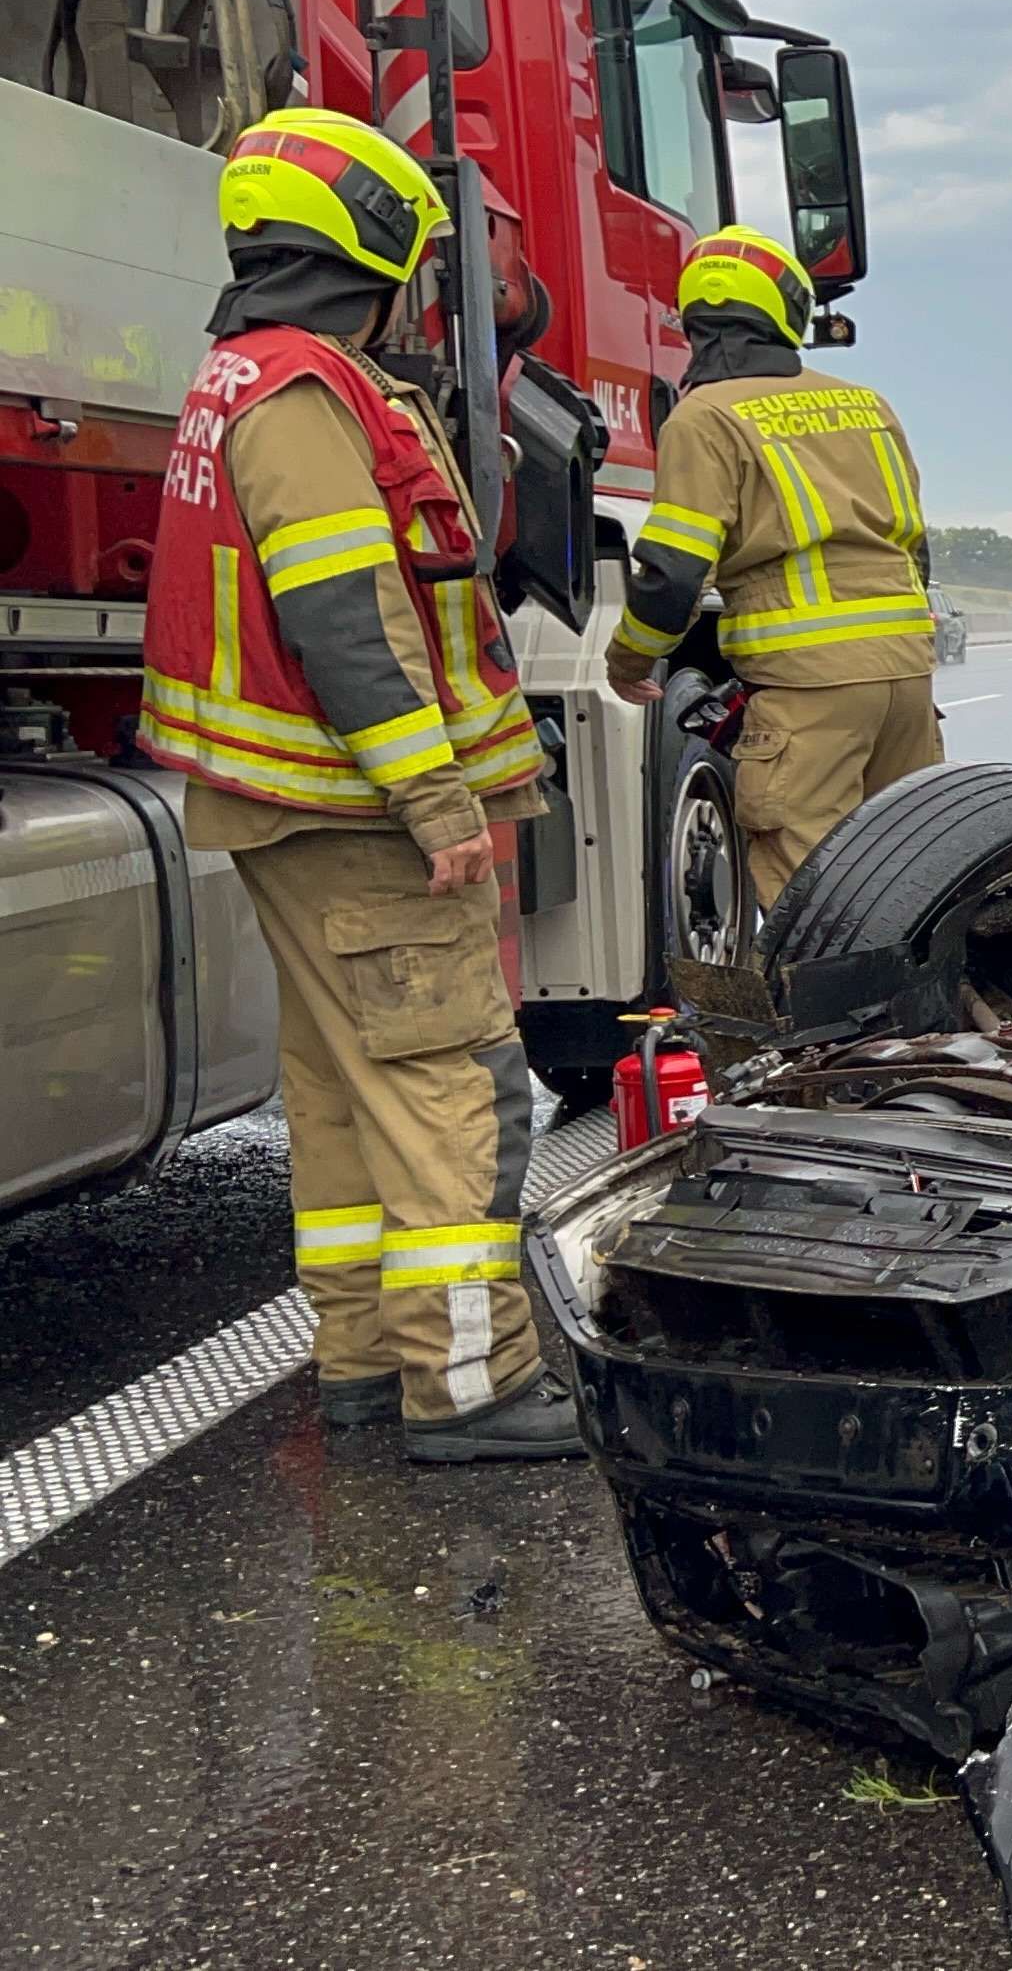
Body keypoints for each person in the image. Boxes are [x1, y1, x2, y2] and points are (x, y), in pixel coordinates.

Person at [139, 109, 572, 1460]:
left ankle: (366, 1364)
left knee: (338, 1095)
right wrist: (439, 803)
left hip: (293, 807)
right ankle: (476, 1384)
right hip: (361, 813)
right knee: (454, 1088)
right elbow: (347, 621)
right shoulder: (312, 395)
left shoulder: (238, 380)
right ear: (369, 249)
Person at [603, 226, 940, 904]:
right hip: (907, 679)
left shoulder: (704, 419)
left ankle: (829, 1014)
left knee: (814, 901)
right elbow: (916, 550)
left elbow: (672, 571)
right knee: (909, 878)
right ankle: (931, 1011)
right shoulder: (868, 405)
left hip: (809, 692)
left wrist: (629, 662)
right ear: (787, 311)